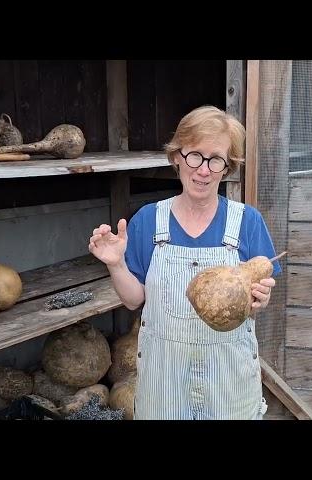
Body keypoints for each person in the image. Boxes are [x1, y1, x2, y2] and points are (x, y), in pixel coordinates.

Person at [88, 105, 282, 420]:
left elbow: (258, 298)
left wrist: (260, 299)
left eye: (215, 159)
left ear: (227, 166)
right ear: (177, 156)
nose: (203, 169)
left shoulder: (247, 222)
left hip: (228, 383)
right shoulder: (148, 220)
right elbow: (134, 298)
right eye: (194, 155)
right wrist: (116, 264)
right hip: (164, 384)